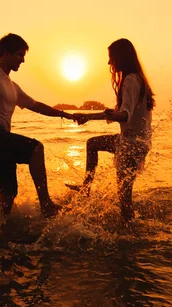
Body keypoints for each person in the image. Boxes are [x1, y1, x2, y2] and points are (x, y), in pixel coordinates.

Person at [0, 33, 77, 219]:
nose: (22, 60)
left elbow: (36, 105)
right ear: (5, 53)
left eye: (23, 56)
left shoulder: (13, 86)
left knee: (9, 192)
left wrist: (65, 114)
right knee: (36, 148)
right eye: (19, 55)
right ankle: (46, 205)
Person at [70, 38, 155, 224]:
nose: (109, 63)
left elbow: (124, 115)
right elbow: (120, 113)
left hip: (131, 145)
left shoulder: (130, 80)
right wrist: (88, 117)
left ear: (120, 57)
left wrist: (111, 115)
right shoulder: (137, 79)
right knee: (92, 144)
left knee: (124, 198)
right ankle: (86, 187)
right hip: (134, 142)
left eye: (111, 58)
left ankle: (130, 234)